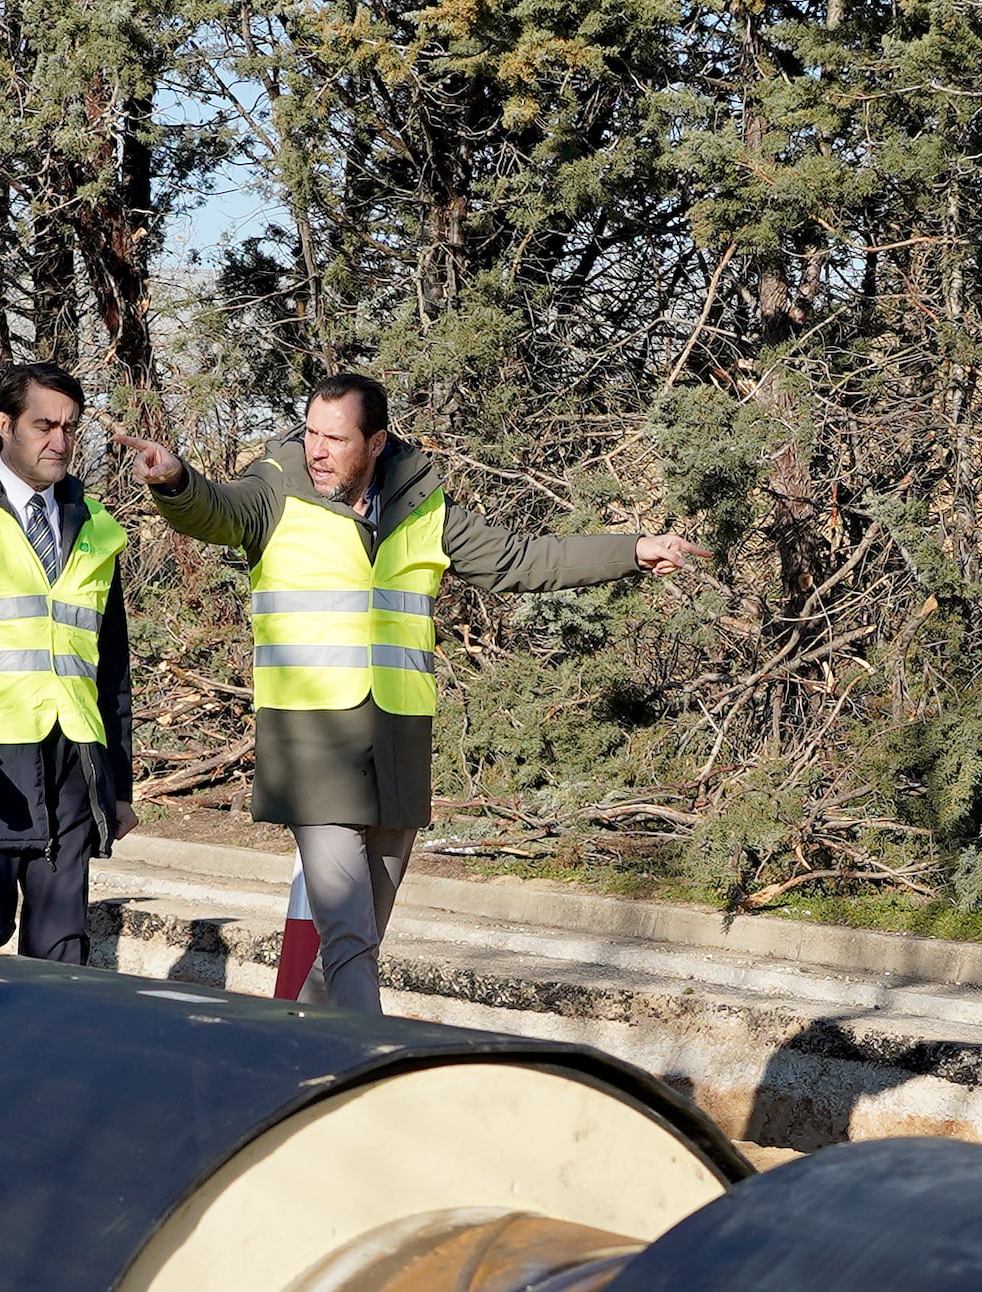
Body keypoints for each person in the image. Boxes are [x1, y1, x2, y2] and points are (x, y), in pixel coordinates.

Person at [138, 366, 698, 1016]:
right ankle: (375, 1062)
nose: (317, 449)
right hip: (310, 746)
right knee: (349, 937)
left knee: (357, 939)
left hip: (397, 746)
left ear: (376, 442)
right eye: (312, 432)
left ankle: (295, 1050)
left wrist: (632, 549)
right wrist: (174, 482)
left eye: (336, 438)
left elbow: (520, 560)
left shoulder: (423, 505)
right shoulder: (273, 490)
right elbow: (213, 509)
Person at [0, 362, 134, 961]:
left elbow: (112, 669)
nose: (59, 441)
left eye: (70, 427)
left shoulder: (96, 527)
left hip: (74, 759)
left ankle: (53, 1028)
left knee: (62, 943)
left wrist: (119, 784)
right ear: (3, 424)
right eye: (44, 425)